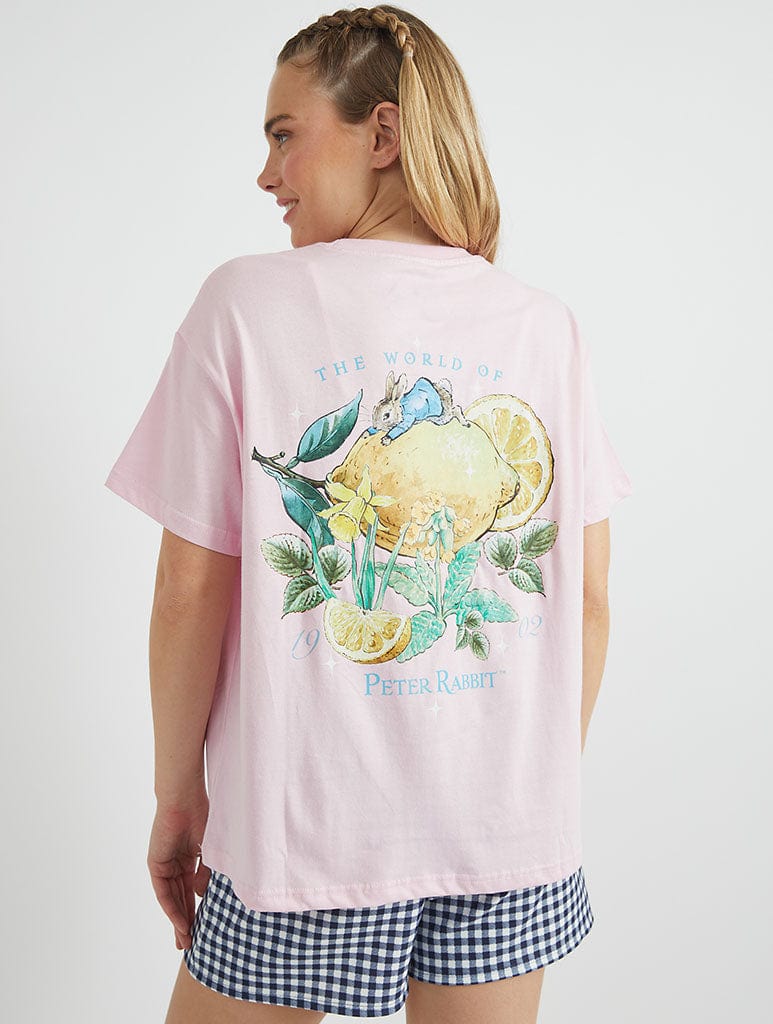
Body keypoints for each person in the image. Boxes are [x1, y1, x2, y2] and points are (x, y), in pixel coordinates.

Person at [104, 6, 633, 1022]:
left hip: (304, 828)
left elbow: (188, 589)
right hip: (507, 835)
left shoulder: (244, 306)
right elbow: (591, 596)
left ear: (380, 133)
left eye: (284, 134)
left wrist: (178, 799)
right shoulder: (543, 326)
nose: (267, 174)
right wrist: (519, 786)